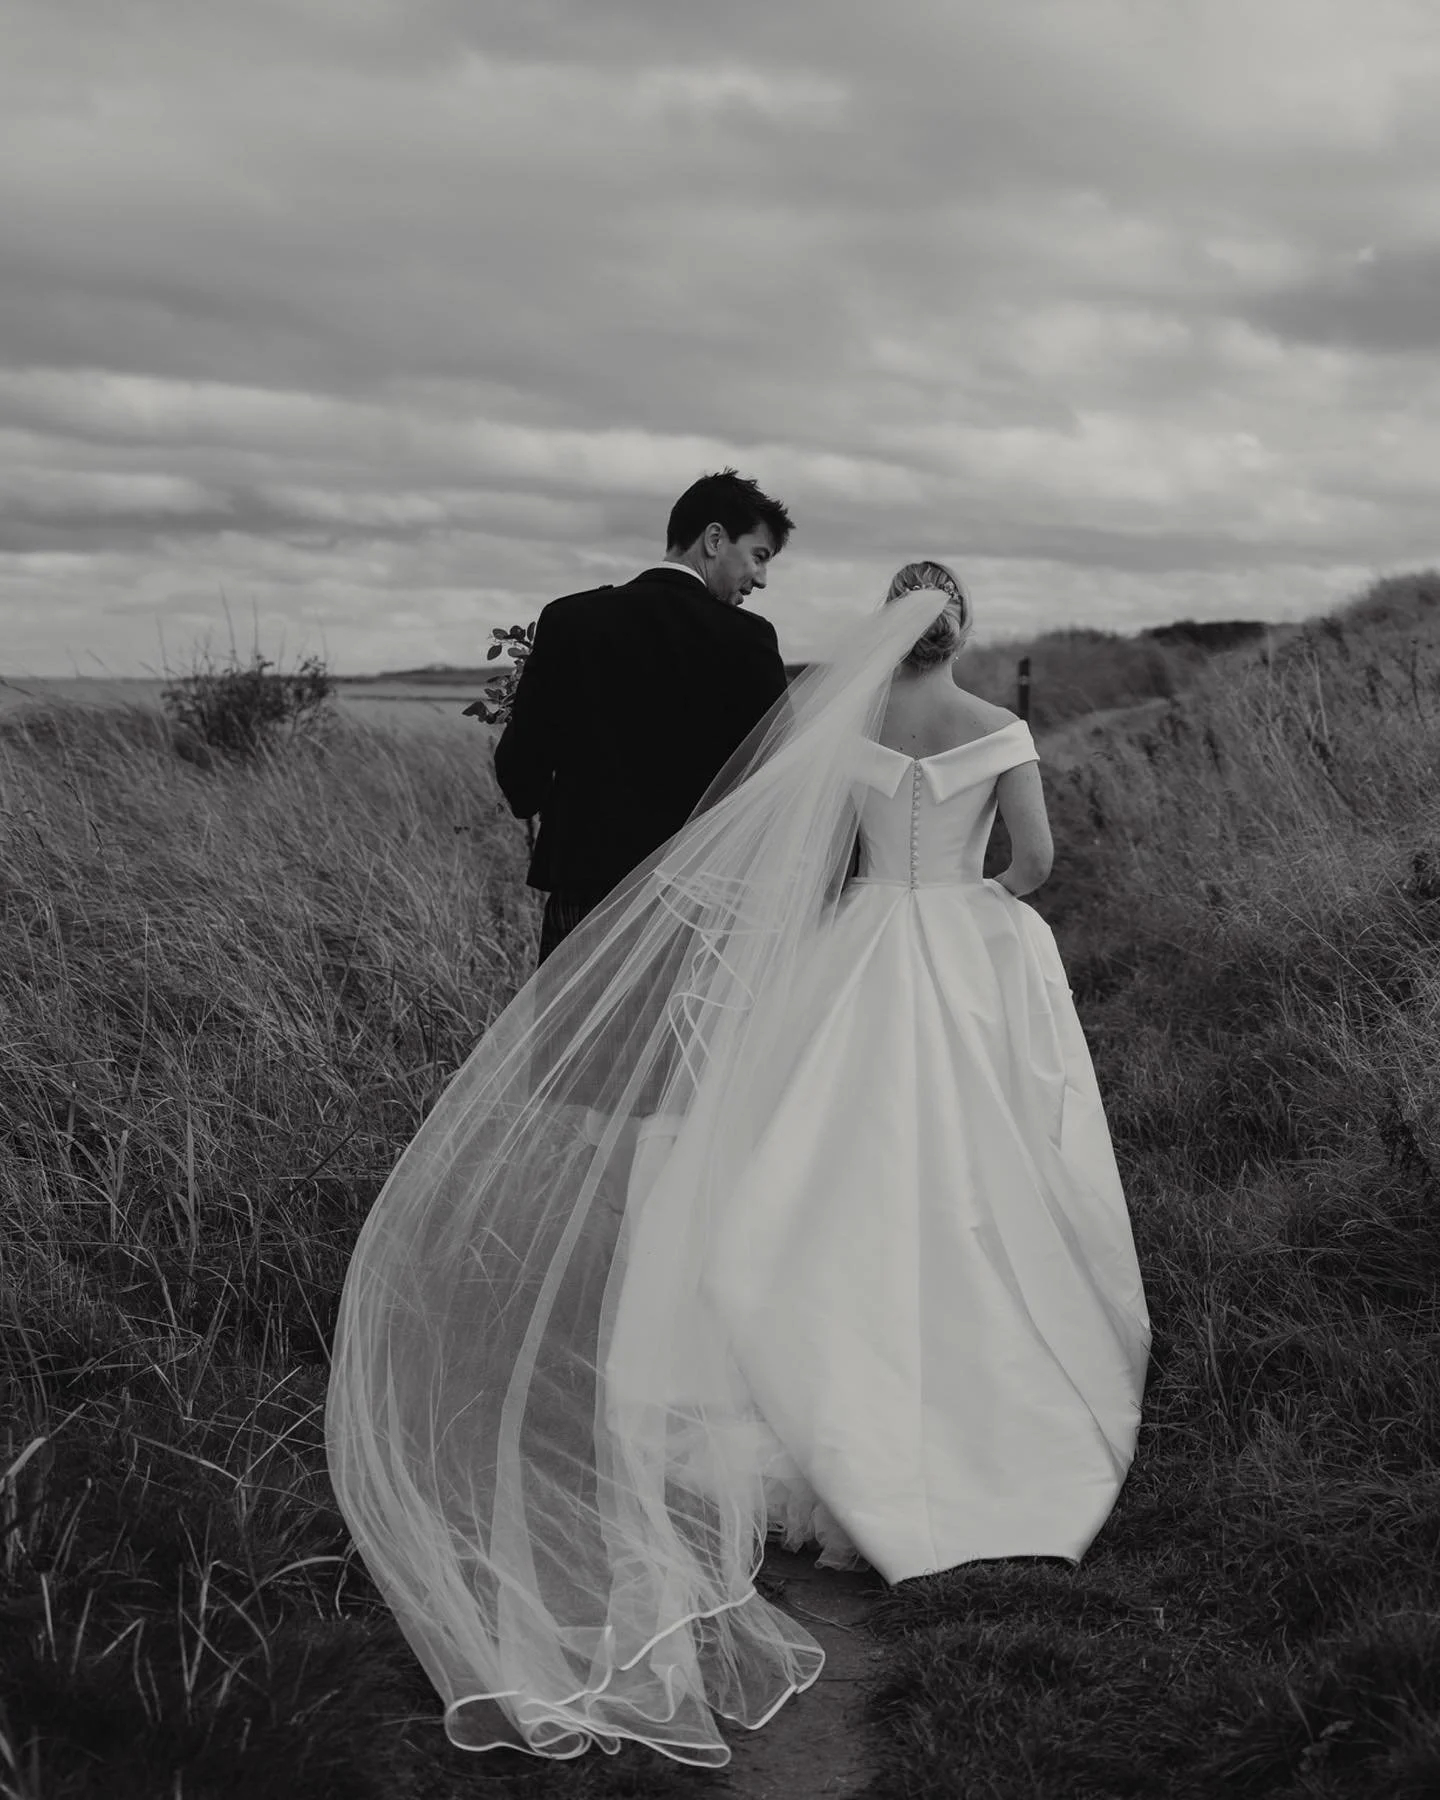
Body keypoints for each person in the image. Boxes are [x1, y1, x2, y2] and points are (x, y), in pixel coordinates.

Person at [326, 565, 1150, 1768]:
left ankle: (805, 1377)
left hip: (858, 950)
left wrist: (874, 896)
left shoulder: (850, 734)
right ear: (966, 630)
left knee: (820, 1165)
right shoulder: (1002, 730)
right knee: (978, 1166)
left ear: (883, 632)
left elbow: (805, 871)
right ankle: (982, 1372)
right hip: (959, 957)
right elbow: (1033, 863)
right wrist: (967, 903)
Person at [493, 468, 793, 962]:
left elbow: (519, 769)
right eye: (758, 557)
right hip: (698, 903)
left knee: (572, 1041)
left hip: (584, 895)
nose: (760, 578)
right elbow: (777, 779)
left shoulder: (570, 620)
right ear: (714, 539)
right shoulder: (748, 640)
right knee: (680, 1043)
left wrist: (576, 817)